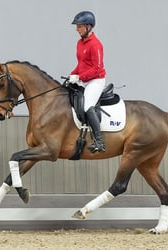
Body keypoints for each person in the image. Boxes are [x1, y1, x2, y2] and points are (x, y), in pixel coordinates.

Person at [69, 11, 106, 153]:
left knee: (87, 106)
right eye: (77, 26)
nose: (76, 29)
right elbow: (81, 64)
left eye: (79, 26)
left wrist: (79, 77)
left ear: (88, 27)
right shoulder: (80, 43)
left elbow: (97, 69)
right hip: (84, 79)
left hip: (96, 81)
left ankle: (99, 141)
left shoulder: (96, 45)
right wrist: (73, 74)